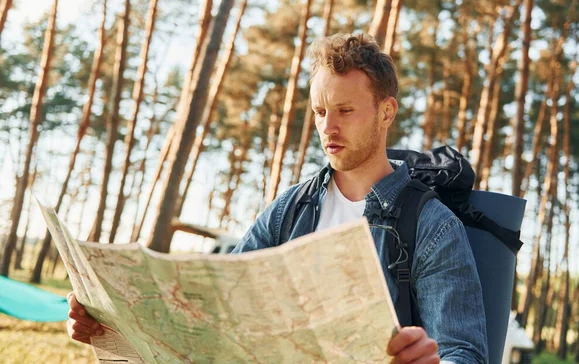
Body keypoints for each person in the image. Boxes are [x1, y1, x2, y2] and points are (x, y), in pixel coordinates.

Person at [66, 33, 488, 363]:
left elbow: (464, 354)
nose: (328, 128)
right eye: (321, 112)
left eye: (345, 110)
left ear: (386, 112)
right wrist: (109, 318)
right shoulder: (290, 210)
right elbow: (214, 308)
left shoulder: (432, 227)